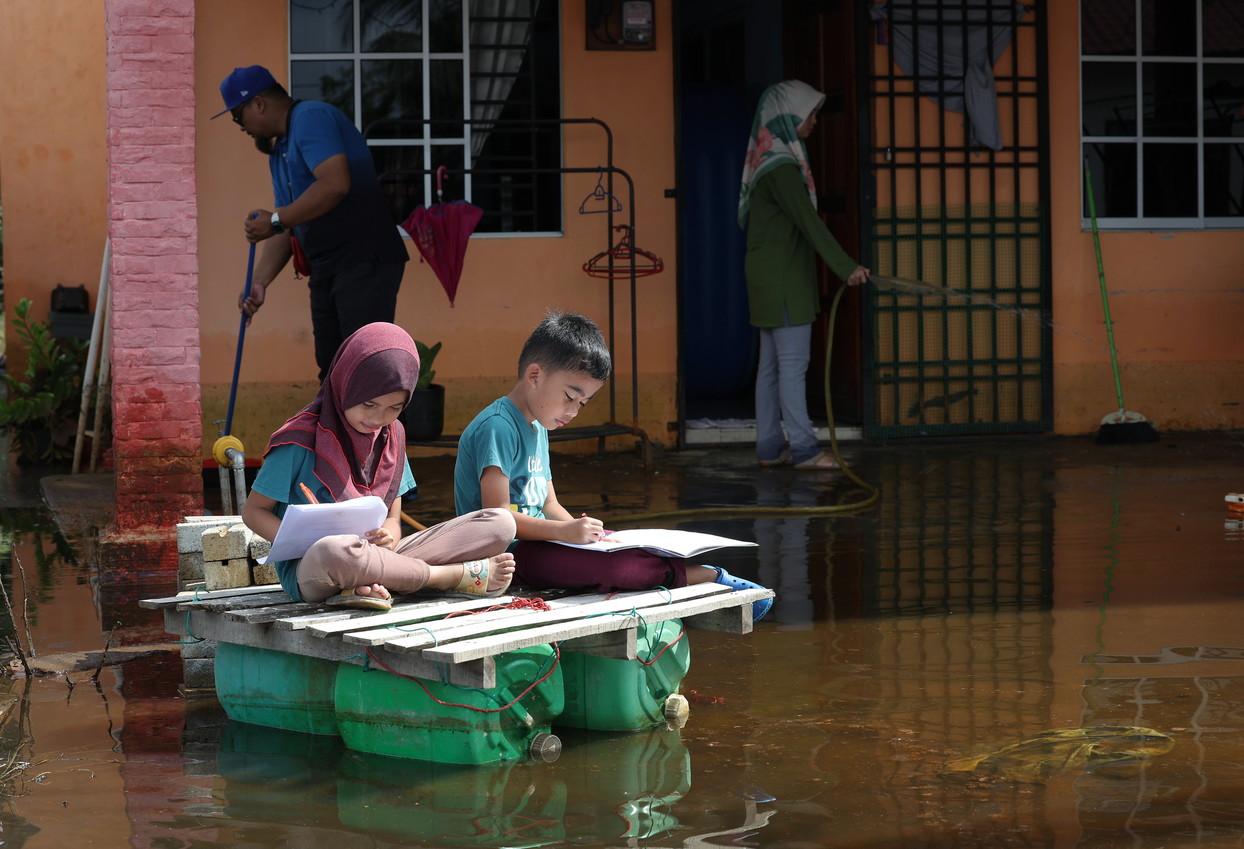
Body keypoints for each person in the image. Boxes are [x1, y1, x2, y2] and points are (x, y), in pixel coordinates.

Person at [453, 311, 772, 621]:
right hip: (506, 558)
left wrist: (590, 538)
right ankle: (707, 576)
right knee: (622, 568)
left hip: (541, 544)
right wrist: (565, 532)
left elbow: (549, 503)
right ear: (535, 376)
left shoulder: (537, 426)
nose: (574, 411)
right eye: (569, 396)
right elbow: (498, 521)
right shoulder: (498, 427)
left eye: (582, 403)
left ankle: (681, 571)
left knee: (620, 545)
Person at [241, 322, 517, 611]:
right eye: (368, 404)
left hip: (383, 556)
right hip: (315, 567)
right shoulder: (298, 440)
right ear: (345, 384)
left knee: (500, 523)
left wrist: (389, 536)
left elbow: (393, 519)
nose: (377, 418)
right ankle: (447, 577)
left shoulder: (392, 436)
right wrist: (305, 541)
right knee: (335, 550)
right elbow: (253, 512)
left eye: (394, 407)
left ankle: (373, 582)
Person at [212, 65, 410, 381]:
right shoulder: (278, 152)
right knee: (331, 369)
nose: (242, 127)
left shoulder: (310, 118)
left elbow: (334, 184)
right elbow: (287, 223)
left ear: (259, 104)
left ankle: (387, 433)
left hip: (364, 257)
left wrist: (275, 220)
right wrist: (259, 282)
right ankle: (339, 432)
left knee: (363, 367)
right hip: (327, 265)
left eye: (238, 117)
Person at [738, 80, 871, 469]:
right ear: (789, 116)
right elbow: (809, 223)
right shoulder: (782, 166)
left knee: (771, 367)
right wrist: (847, 268)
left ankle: (768, 448)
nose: (815, 121)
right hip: (783, 280)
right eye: (810, 113)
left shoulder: (768, 160)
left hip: (768, 275)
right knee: (792, 367)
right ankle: (805, 449)